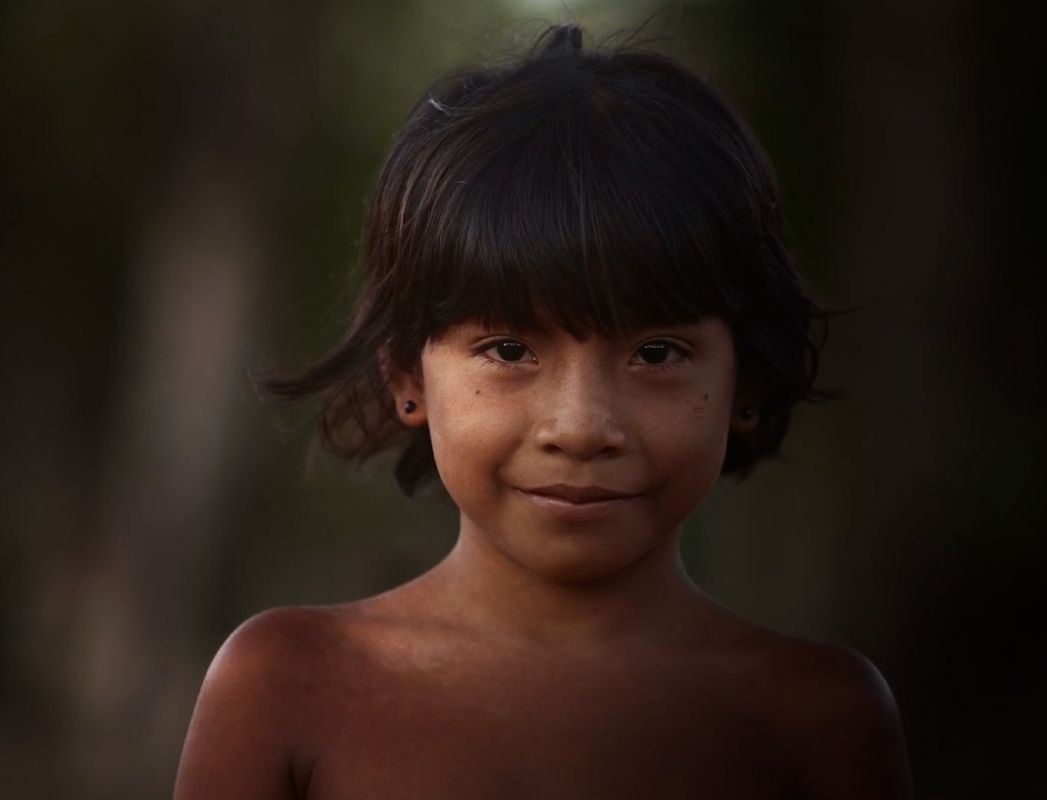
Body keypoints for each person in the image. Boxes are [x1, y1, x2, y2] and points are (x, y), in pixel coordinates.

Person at [174, 23, 911, 799]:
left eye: (656, 354)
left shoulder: (817, 717)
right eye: (509, 350)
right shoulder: (287, 687)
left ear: (748, 383)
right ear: (406, 373)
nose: (581, 427)